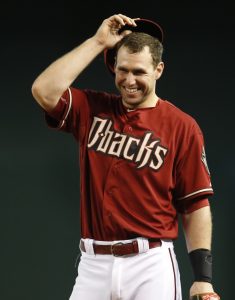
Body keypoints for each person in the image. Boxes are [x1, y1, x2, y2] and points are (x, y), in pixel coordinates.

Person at [31, 14, 220, 300]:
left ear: (158, 70)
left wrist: (203, 278)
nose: (129, 80)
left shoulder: (182, 127)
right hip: (93, 263)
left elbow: (195, 204)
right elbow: (43, 91)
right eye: (123, 70)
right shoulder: (93, 109)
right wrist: (98, 42)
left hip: (150, 264)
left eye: (139, 72)